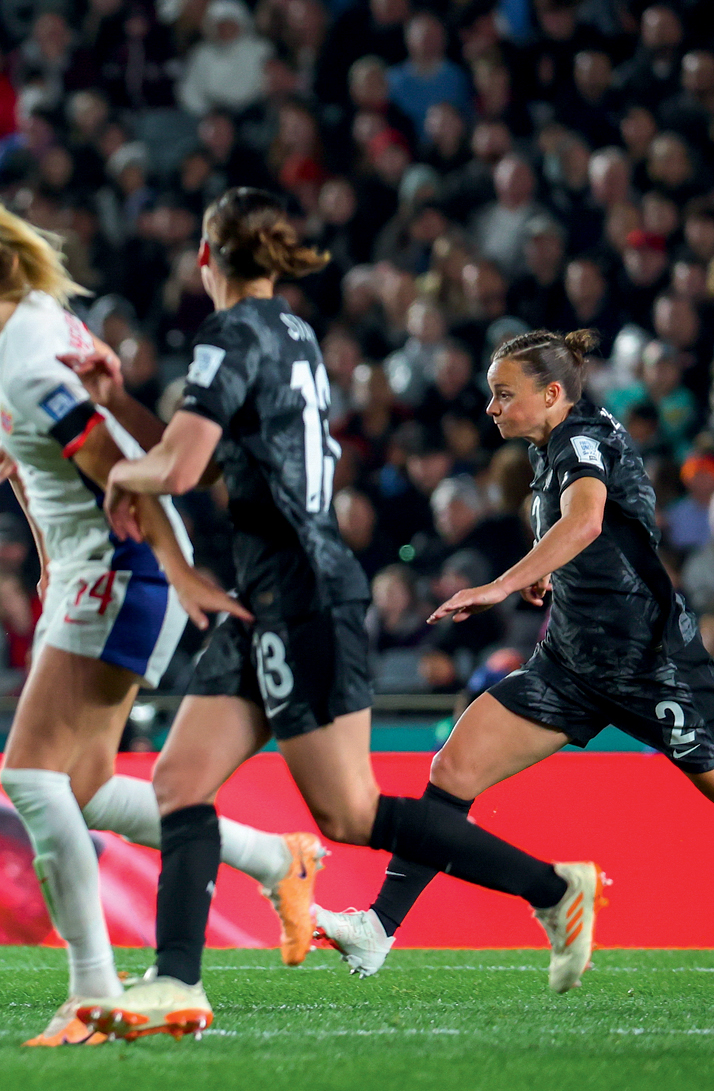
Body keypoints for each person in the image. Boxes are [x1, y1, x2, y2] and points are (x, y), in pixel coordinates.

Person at [75, 189, 601, 1042]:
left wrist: (114, 470)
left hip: (301, 593)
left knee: (350, 816)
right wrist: (121, 409)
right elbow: (211, 463)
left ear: (206, 256)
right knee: (179, 784)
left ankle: (555, 889)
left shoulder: (228, 335)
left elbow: (175, 472)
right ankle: (176, 986)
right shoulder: (292, 334)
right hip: (265, 596)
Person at [0, 190, 320, 1047]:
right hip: (95, 570)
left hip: (116, 571)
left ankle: (93, 993)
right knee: (87, 789)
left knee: (31, 782)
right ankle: (274, 860)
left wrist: (179, 571)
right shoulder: (43, 320)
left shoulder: (25, 359)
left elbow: (123, 473)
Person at [314, 329, 714, 976]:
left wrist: (500, 583)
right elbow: (593, 530)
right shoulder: (555, 443)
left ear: (552, 394)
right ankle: (379, 926)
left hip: (652, 664)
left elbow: (585, 520)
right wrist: (547, 570)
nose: (492, 408)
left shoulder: (581, 439)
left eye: (505, 395)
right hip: (572, 665)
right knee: (452, 771)